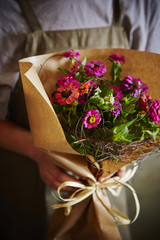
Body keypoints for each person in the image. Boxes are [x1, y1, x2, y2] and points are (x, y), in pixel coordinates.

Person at [0, 0, 160, 240]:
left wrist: (122, 158)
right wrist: (36, 150)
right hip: (30, 179)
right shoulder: (7, 11)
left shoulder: (142, 6)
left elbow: (147, 99)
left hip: (107, 184)